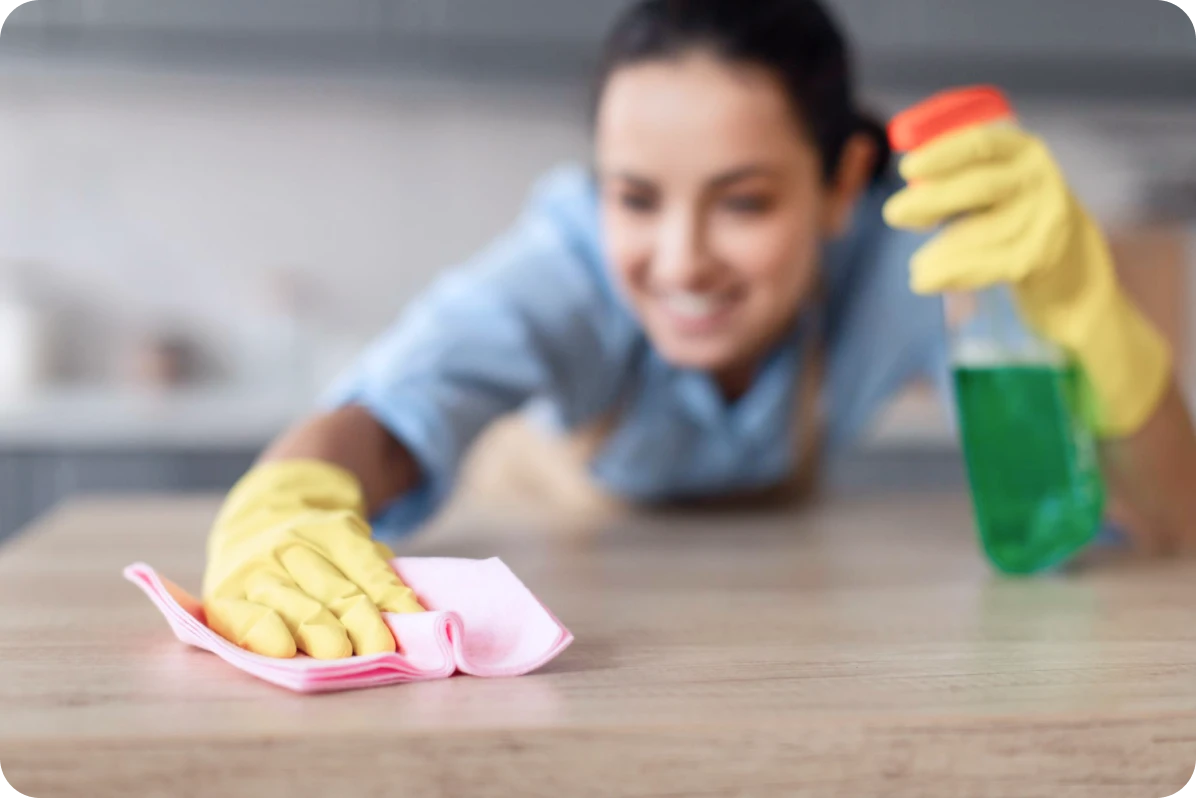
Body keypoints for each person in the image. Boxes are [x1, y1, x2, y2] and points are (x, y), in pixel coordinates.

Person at [202, 0, 1196, 661]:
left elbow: (1164, 521)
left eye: (744, 203)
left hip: (787, 635)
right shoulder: (566, 263)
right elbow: (379, 419)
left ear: (842, 184)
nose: (678, 261)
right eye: (634, 197)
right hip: (576, 613)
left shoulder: (915, 267)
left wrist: (1090, 321)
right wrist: (284, 499)